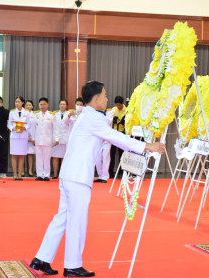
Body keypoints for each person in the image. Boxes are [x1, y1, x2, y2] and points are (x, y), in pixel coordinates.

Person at [30, 81, 165, 277]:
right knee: (76, 220)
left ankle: (42, 258)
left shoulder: (86, 115)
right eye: (104, 95)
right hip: (78, 177)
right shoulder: (93, 118)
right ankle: (72, 265)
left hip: (70, 174)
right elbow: (114, 136)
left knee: (62, 217)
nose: (107, 98)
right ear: (95, 99)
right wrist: (146, 146)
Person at [31, 98, 59, 181]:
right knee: (39, 158)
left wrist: (56, 138)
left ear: (47, 105)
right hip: (38, 140)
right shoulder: (35, 115)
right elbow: (33, 128)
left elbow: (55, 128)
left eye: (44, 104)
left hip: (47, 140)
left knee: (47, 158)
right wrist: (33, 138)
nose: (42, 106)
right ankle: (39, 174)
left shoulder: (52, 115)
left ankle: (46, 175)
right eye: (41, 104)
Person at [8, 96, 31, 180]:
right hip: (14, 136)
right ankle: (14, 174)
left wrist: (24, 128)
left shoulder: (27, 112)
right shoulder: (12, 112)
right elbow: (9, 124)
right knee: (14, 155)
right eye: (16, 102)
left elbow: (29, 124)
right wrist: (13, 128)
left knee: (22, 155)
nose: (17, 103)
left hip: (23, 136)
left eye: (18, 102)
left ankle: (20, 174)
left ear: (22, 103)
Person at [94, 108, 114, 183]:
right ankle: (100, 175)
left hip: (106, 140)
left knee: (105, 158)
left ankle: (105, 177)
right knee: (98, 159)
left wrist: (101, 115)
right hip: (98, 140)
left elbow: (108, 121)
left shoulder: (109, 113)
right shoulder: (95, 113)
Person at [109, 96, 126, 178]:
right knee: (112, 153)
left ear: (122, 104)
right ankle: (110, 172)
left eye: (119, 105)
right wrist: (114, 120)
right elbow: (109, 120)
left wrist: (122, 122)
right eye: (117, 105)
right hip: (114, 132)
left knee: (121, 153)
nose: (118, 106)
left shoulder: (126, 110)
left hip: (122, 133)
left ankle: (121, 172)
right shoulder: (113, 109)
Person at [52, 99, 70, 179]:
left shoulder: (69, 114)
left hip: (65, 138)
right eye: (61, 104)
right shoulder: (54, 114)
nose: (62, 105)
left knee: (64, 157)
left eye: (64, 104)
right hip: (56, 138)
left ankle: (63, 174)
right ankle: (55, 173)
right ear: (59, 105)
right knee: (55, 156)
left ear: (66, 106)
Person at [25, 100, 35, 177]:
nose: (28, 106)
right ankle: (21, 171)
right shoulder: (22, 114)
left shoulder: (35, 115)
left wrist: (32, 136)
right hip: (23, 136)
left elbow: (34, 127)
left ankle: (30, 171)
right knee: (21, 154)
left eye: (30, 105)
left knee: (30, 154)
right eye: (27, 105)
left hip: (31, 137)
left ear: (32, 106)